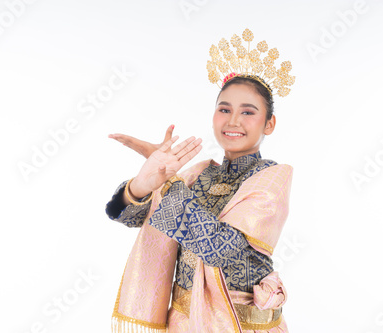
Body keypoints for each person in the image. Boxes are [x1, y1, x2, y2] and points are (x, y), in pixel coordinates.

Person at [105, 29, 295, 333]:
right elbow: (131, 216)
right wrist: (145, 182)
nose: (233, 121)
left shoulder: (270, 181)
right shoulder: (200, 172)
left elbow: (218, 248)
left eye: (248, 112)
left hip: (240, 325)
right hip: (182, 321)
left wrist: (169, 182)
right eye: (224, 109)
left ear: (269, 123)